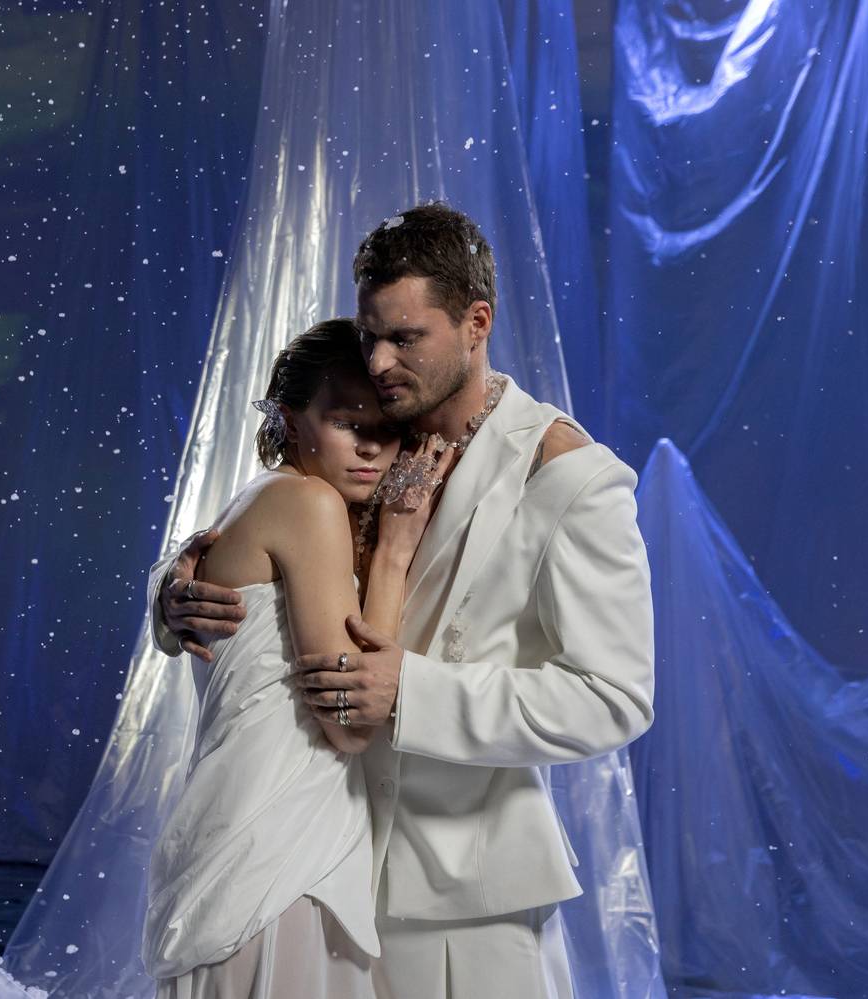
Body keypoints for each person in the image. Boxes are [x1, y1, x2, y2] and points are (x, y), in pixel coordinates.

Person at [149, 202, 655, 998]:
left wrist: (411, 691)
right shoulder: (370, 429)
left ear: (475, 323)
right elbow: (273, 529)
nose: (380, 360)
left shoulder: (568, 477)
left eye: (405, 337)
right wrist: (174, 593)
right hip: (323, 866)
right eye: (369, 335)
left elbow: (613, 695)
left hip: (462, 893)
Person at [140, 319, 454, 999]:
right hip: (275, 839)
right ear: (289, 418)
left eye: (386, 428)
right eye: (346, 422)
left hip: (256, 821)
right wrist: (395, 553)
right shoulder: (310, 503)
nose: (371, 446)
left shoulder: (261, 495)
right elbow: (348, 721)